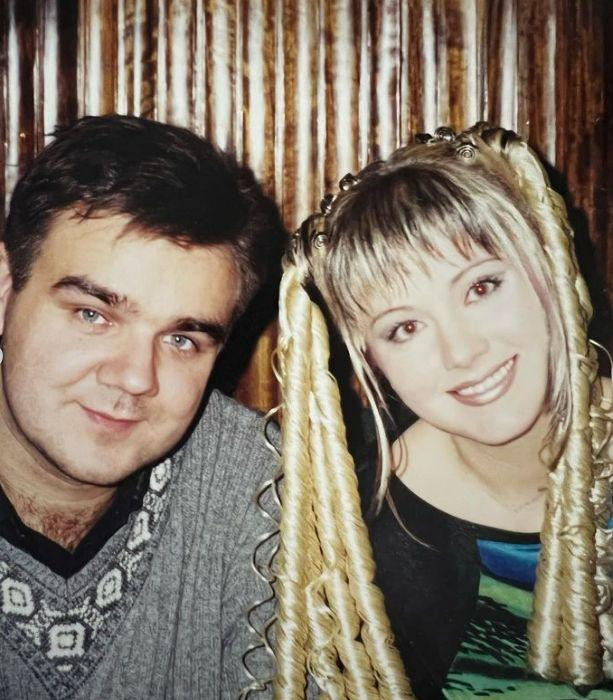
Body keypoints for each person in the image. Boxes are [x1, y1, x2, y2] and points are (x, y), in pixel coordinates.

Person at [273, 124, 613, 698]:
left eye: (481, 287)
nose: (462, 352)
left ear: (549, 270)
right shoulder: (376, 540)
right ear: (371, 360)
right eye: (405, 328)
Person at [0, 114, 282, 698]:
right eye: (93, 314)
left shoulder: (263, 483)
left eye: (182, 339)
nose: (134, 378)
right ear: (4, 288)